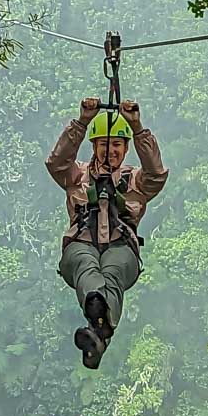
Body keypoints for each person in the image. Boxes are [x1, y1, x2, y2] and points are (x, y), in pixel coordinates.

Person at [45, 97, 168, 368]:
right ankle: (98, 313)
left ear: (125, 148)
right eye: (103, 144)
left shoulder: (135, 180)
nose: (110, 151)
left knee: (112, 270)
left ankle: (98, 324)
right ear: (94, 146)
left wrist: (137, 128)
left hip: (121, 247)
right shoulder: (77, 176)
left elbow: (156, 174)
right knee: (85, 264)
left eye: (116, 145)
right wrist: (82, 122)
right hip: (81, 244)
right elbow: (57, 163)